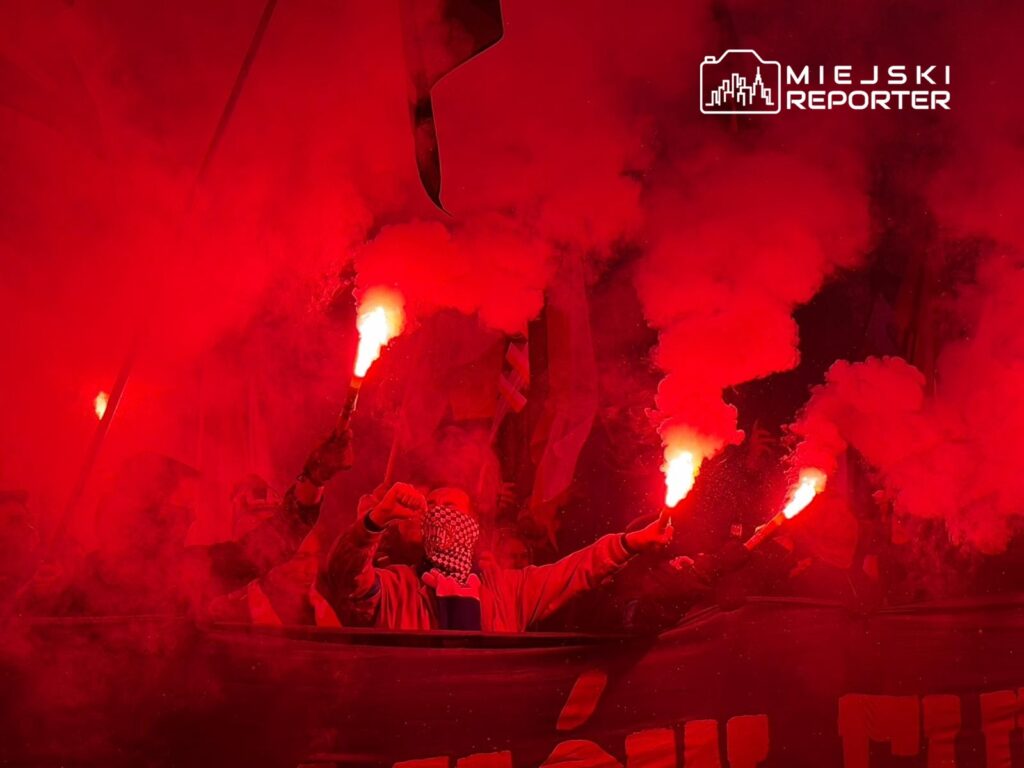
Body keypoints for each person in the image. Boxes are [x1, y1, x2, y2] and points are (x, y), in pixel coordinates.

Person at [319, 482, 674, 631]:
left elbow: (577, 570)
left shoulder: (509, 590)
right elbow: (346, 579)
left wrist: (630, 543)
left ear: (473, 527)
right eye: (433, 509)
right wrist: (374, 521)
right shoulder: (396, 587)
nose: (440, 515)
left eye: (451, 508)